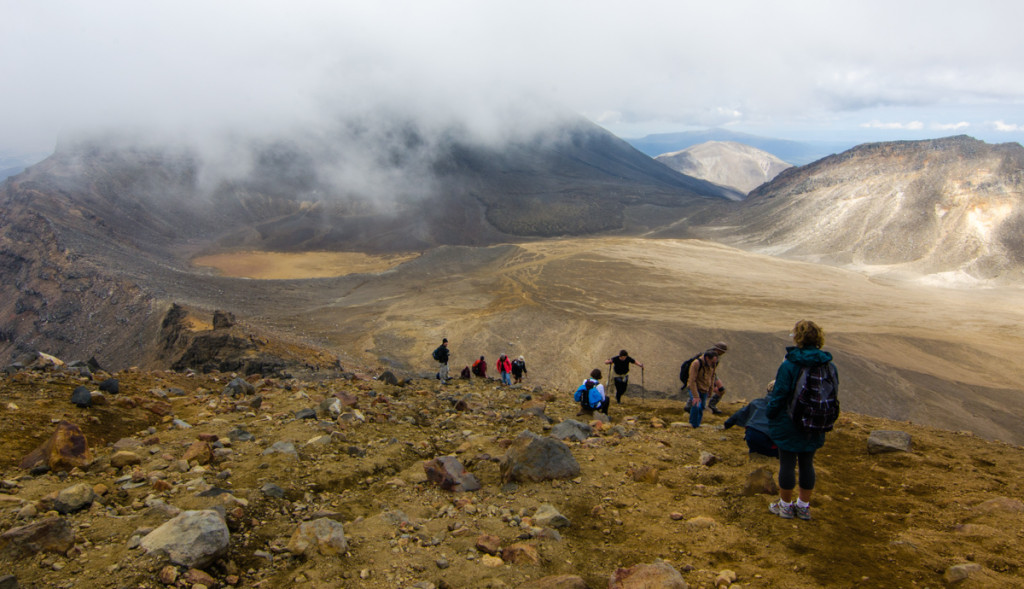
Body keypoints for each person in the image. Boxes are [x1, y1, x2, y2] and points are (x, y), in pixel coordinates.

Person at [766, 320, 838, 521]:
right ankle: (804, 506)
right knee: (808, 463)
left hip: (790, 423)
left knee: (787, 463)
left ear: (798, 338)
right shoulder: (828, 365)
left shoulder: (790, 364)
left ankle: (785, 506)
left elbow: (779, 394)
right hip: (816, 423)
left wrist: (770, 413)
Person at [723, 380, 779, 457]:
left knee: (756, 449)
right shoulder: (784, 407)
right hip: (767, 436)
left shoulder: (757, 402)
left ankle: (755, 454)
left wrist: (726, 425)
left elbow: (739, 414)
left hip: (751, 433)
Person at [683, 342, 729, 414]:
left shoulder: (714, 357)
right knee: (699, 389)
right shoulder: (708, 357)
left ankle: (711, 405)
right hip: (702, 377)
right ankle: (691, 406)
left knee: (720, 390)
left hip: (709, 376)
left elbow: (712, 372)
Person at [686, 348, 723, 428]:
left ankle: (697, 424)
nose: (714, 363)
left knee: (702, 407)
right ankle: (694, 424)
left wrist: (711, 389)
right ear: (707, 358)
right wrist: (695, 396)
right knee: (696, 405)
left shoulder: (712, 364)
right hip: (695, 388)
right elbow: (692, 380)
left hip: (705, 389)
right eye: (712, 361)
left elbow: (712, 376)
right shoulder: (696, 364)